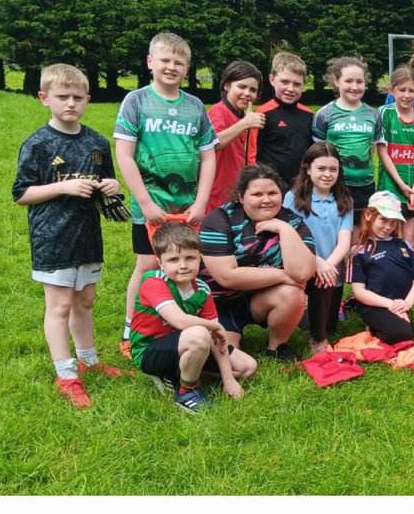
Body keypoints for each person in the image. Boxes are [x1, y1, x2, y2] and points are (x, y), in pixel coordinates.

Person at [13, 63, 126, 408]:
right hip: (53, 237)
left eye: (78, 97)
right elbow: (21, 194)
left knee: (85, 301)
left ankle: (89, 362)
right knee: (59, 306)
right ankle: (66, 375)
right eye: (63, 97)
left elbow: (110, 184)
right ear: (44, 98)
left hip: (88, 235)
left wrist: (113, 184)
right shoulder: (38, 143)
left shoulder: (97, 141)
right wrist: (61, 188)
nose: (71, 104)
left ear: (88, 99)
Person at [114, 32, 218, 360]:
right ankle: (133, 328)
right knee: (147, 264)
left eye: (179, 62)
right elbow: (125, 155)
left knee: (187, 263)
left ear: (187, 68)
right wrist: (145, 202)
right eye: (165, 60)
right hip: (151, 205)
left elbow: (208, 156)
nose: (171, 67)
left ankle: (181, 323)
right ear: (150, 63)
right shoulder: (136, 101)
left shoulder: (195, 106)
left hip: (187, 208)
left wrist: (201, 201)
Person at [130, 221, 255, 412]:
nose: (183, 266)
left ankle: (180, 371)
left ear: (200, 258)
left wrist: (229, 380)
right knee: (199, 333)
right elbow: (179, 320)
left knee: (247, 367)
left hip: (187, 343)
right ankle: (187, 390)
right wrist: (214, 326)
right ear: (160, 263)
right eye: (173, 260)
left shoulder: (202, 290)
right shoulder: (153, 280)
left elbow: (216, 340)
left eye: (190, 258)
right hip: (150, 351)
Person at [199, 163, 316, 363]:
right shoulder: (219, 220)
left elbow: (304, 272)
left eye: (273, 192)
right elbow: (227, 277)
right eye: (257, 194)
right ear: (241, 196)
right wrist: (285, 276)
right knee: (225, 359)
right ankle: (229, 333)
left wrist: (283, 229)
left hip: (259, 299)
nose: (266, 200)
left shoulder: (292, 221)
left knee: (293, 293)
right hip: (217, 303)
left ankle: (277, 346)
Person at [285, 143, 354, 354]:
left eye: (333, 169)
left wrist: (327, 264)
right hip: (304, 264)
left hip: (332, 269)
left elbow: (345, 238)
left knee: (331, 325)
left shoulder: (344, 199)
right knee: (321, 325)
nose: (327, 174)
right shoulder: (293, 198)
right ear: (308, 168)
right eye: (321, 168)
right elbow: (291, 237)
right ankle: (317, 339)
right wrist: (317, 263)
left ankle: (315, 320)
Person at [348, 191, 414, 342]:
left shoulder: (404, 245)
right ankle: (374, 328)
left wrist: (407, 303)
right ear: (369, 215)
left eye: (393, 222)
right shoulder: (359, 251)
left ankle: (391, 324)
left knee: (402, 334)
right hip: (375, 305)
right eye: (383, 220)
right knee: (403, 335)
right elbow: (359, 291)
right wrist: (390, 305)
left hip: (400, 304)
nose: (388, 226)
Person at [311, 55, 381, 215]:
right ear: (336, 81)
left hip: (365, 185)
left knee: (360, 231)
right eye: (348, 81)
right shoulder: (324, 114)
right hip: (335, 184)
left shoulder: (373, 114)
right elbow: (317, 152)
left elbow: (372, 149)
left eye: (359, 81)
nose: (354, 87)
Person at [375, 66, 414, 244]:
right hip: (391, 186)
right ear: (392, 90)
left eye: (411, 90)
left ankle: (413, 272)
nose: (407, 95)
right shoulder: (385, 113)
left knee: (410, 240)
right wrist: (401, 185)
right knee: (391, 237)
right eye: (402, 90)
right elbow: (382, 152)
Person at [205, 60, 264, 213]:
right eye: (241, 87)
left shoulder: (242, 116)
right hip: (215, 195)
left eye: (253, 90)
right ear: (227, 85)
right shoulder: (219, 111)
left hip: (234, 192)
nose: (247, 93)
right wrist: (245, 124)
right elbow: (213, 143)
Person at [251, 50, 314, 191]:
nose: (290, 89)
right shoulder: (261, 114)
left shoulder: (309, 115)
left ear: (304, 85)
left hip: (302, 187)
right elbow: (252, 155)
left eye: (297, 84)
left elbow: (313, 152)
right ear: (272, 79)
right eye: (285, 82)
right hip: (271, 186)